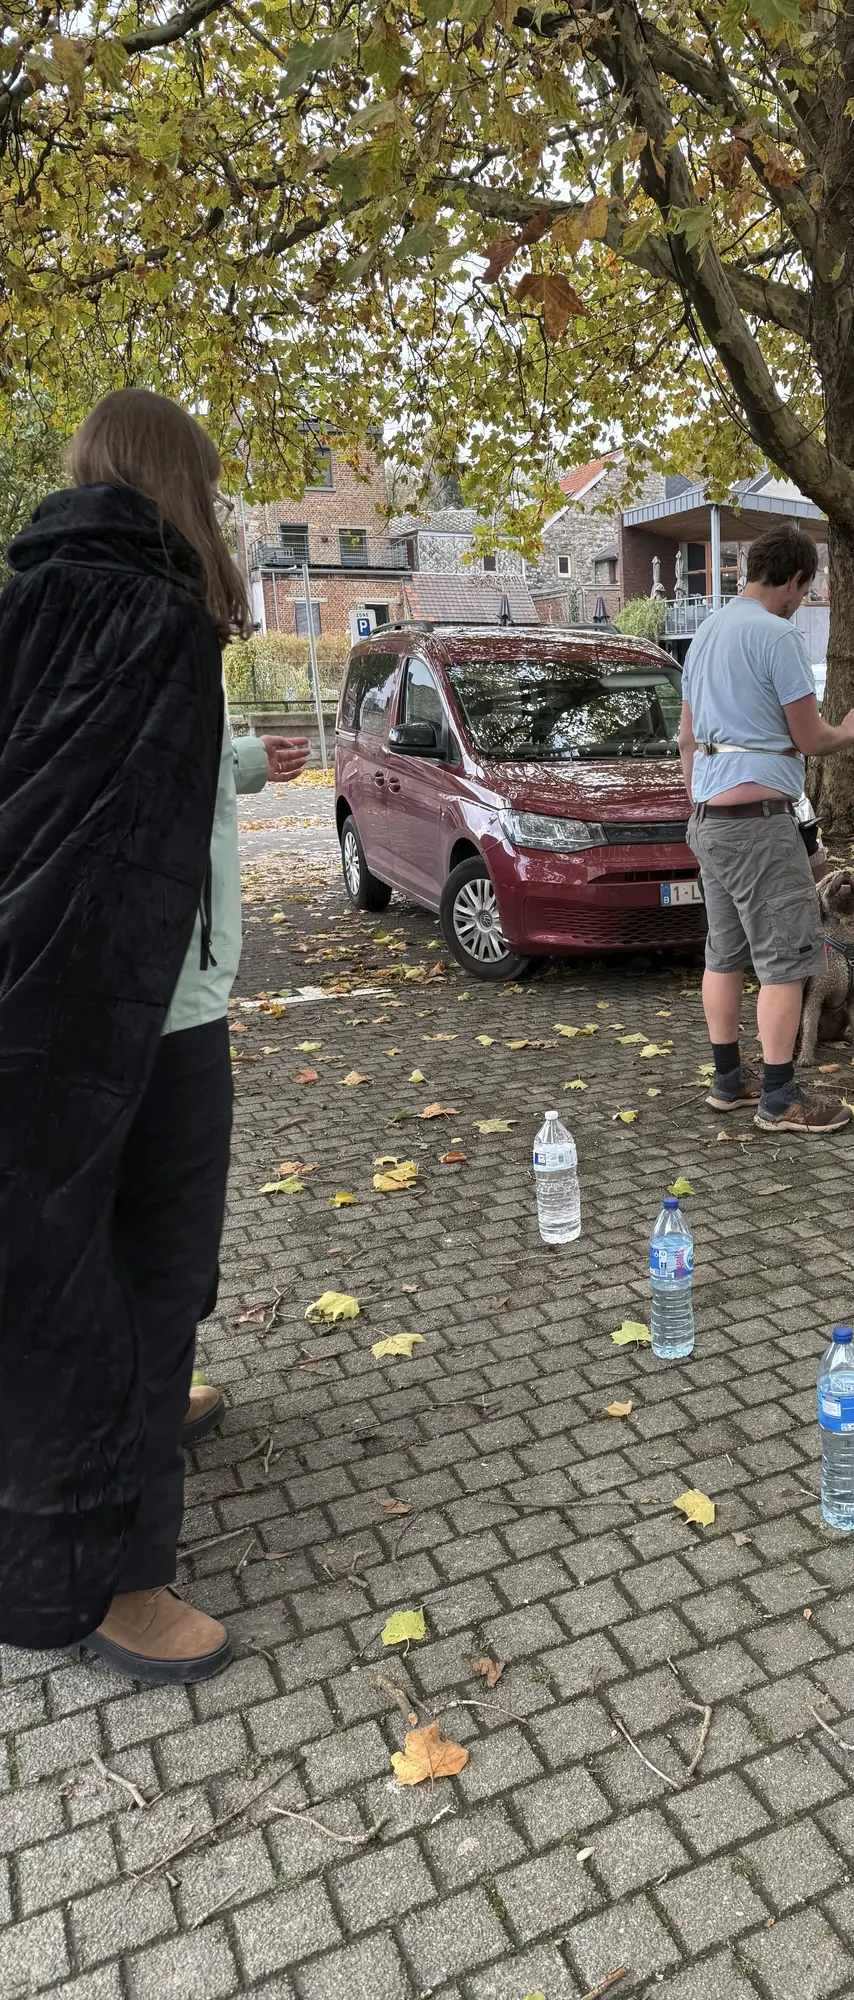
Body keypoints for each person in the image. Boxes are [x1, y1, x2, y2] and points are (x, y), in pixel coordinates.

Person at [0, 387, 307, 1683]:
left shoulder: (35, 608)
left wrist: (242, 765)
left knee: (91, 1267)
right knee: (149, 1274)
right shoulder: (156, 622)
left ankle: (134, 1426)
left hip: (51, 1013)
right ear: (183, 486)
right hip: (145, 1020)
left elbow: (115, 782)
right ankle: (119, 1580)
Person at [679, 521, 854, 1133]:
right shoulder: (777, 637)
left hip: (709, 821)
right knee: (786, 960)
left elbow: (685, 739)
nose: (801, 602)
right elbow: (808, 736)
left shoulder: (703, 635)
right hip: (761, 827)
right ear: (792, 580)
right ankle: (781, 1097)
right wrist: (851, 732)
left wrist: (700, 801)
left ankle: (729, 1080)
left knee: (725, 954)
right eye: (804, 592)